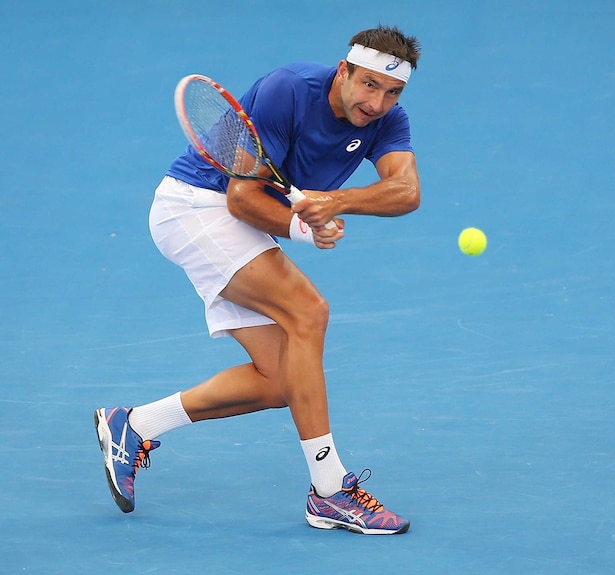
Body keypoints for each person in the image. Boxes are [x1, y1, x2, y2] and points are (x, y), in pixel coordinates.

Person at [94, 25, 421, 536]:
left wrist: (334, 202)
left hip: (236, 222)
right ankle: (330, 492)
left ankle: (133, 425)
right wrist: (304, 227)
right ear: (343, 71)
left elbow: (405, 191)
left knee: (281, 379)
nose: (377, 103)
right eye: (369, 84)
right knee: (308, 311)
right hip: (195, 205)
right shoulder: (286, 90)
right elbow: (241, 198)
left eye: (392, 92)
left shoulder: (387, 120)